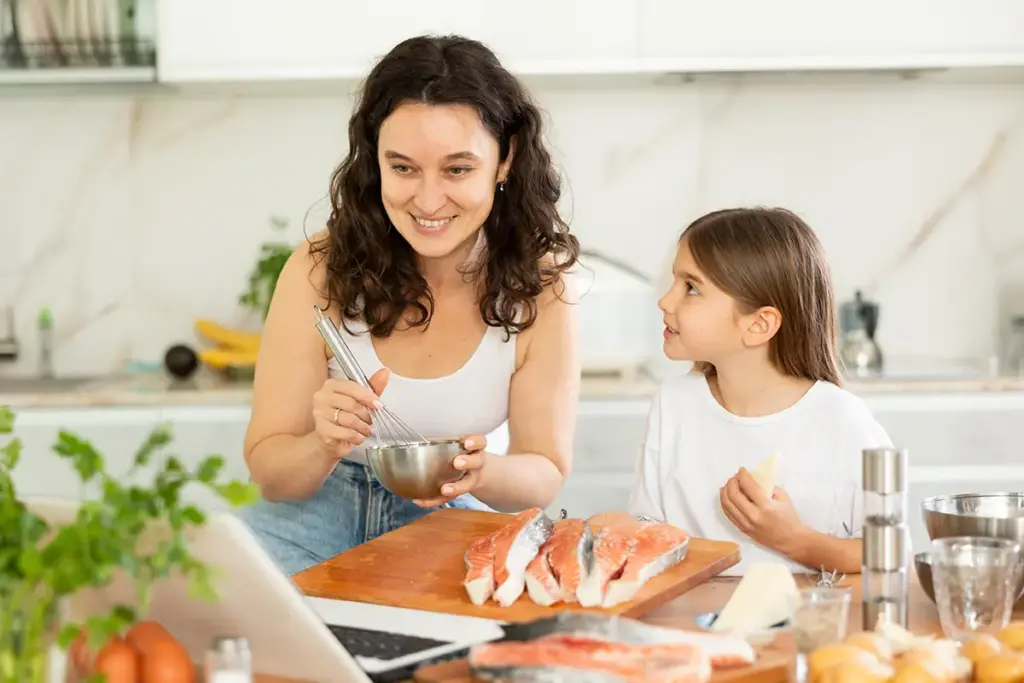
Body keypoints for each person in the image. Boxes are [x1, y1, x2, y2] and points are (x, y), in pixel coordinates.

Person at [239, 34, 582, 576]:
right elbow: (271, 474)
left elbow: (544, 470)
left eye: (457, 169)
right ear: (375, 160)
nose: (427, 200)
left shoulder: (540, 288)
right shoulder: (319, 268)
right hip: (307, 522)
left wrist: (480, 472)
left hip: (448, 520)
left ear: (506, 159)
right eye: (403, 168)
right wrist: (324, 444)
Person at [628, 207, 892, 576]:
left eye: (691, 288)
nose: (665, 302)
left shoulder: (842, 419)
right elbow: (646, 531)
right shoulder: (673, 404)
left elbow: (889, 553)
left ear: (759, 324)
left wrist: (794, 540)